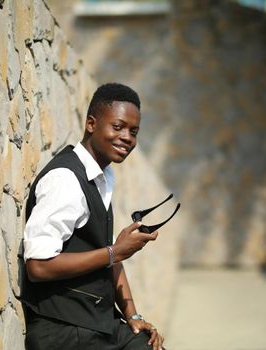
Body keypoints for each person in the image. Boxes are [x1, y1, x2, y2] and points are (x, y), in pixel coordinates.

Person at [20, 83, 165, 350]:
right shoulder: (65, 179)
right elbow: (38, 266)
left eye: (133, 132)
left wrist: (133, 316)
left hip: (94, 325)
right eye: (118, 126)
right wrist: (114, 252)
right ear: (91, 124)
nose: (127, 138)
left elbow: (110, 255)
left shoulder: (102, 176)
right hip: (63, 331)